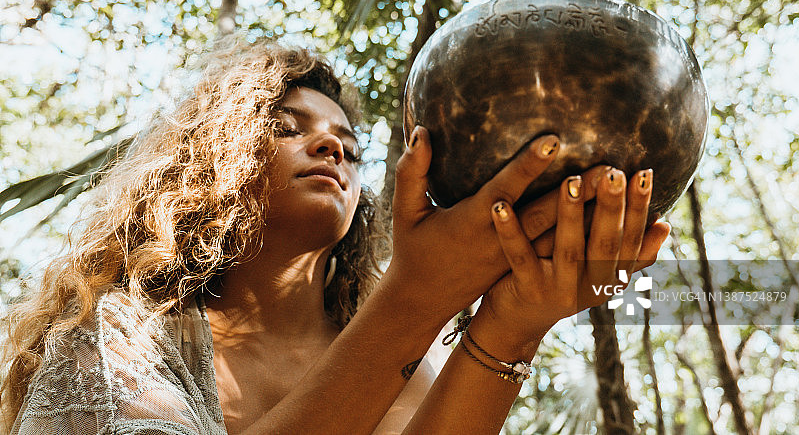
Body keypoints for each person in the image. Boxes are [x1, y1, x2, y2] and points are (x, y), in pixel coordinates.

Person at [0, 36, 670, 435]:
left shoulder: (411, 357)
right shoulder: (117, 332)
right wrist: (416, 298)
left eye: (349, 149)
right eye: (288, 127)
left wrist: (513, 323)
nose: (330, 146)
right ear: (212, 164)